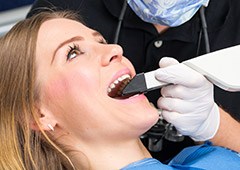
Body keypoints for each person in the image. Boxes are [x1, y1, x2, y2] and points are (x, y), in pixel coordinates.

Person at [1, 10, 240, 170]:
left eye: (101, 41)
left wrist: (214, 123)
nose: (115, 48)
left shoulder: (207, 158)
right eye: (72, 52)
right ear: (38, 114)